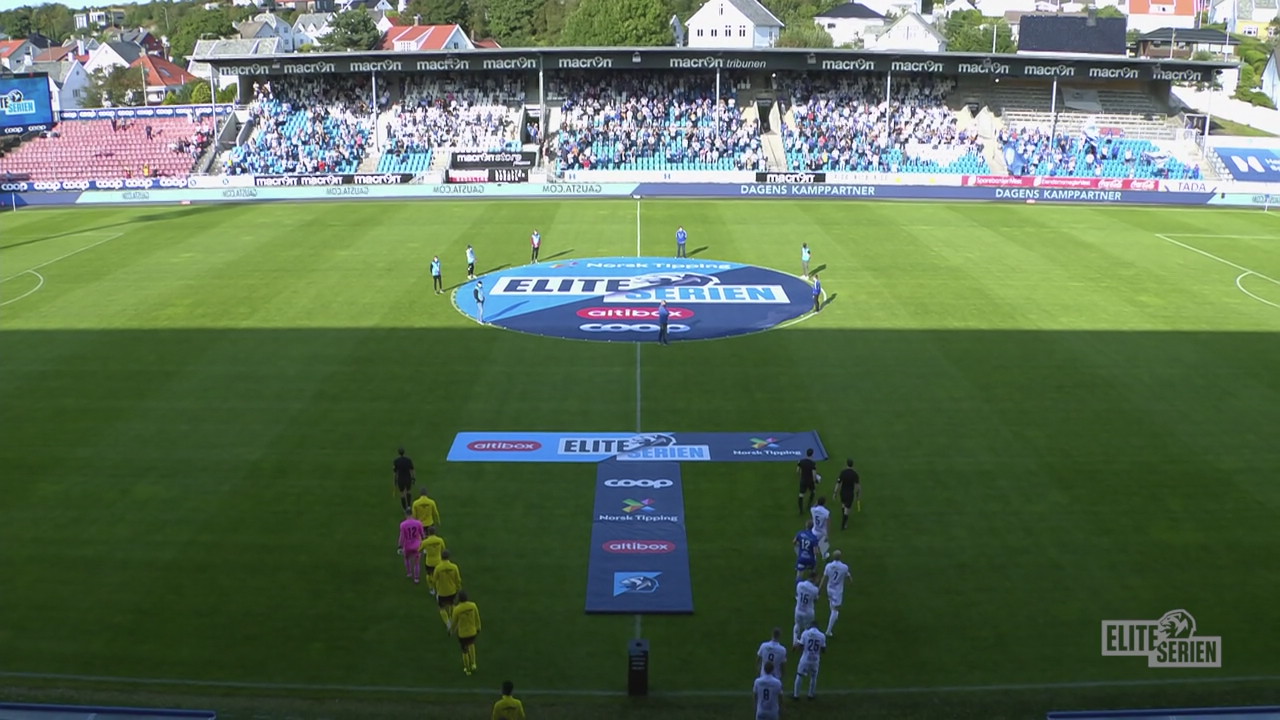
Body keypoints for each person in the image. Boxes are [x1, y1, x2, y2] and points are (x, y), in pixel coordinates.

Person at [792, 621, 827, 700]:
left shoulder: (805, 633)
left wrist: (796, 646)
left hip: (805, 659)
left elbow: (800, 647)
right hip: (815, 660)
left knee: (799, 675)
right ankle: (811, 695)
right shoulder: (822, 635)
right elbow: (824, 650)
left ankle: (796, 695)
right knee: (813, 677)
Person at [451, 590, 481, 675]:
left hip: (463, 633)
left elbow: (454, 622)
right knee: (471, 645)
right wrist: (478, 627)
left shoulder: (457, 609)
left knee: (464, 651)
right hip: (472, 631)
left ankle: (467, 669)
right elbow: (477, 617)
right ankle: (473, 664)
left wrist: (451, 630)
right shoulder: (473, 606)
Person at [821, 550, 850, 637]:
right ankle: (828, 631)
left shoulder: (828, 566)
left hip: (829, 589)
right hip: (837, 591)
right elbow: (848, 577)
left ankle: (834, 616)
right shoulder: (844, 567)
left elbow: (824, 578)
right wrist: (851, 582)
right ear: (840, 557)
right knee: (835, 610)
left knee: (832, 604)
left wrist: (819, 588)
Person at [434, 549, 463, 630]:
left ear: (441, 557)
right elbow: (458, 579)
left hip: (442, 591)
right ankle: (453, 620)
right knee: (452, 605)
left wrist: (435, 589)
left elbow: (434, 579)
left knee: (442, 608)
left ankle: (448, 623)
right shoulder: (454, 567)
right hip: (452, 590)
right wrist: (458, 588)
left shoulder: (438, 568)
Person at [397, 509, 425, 584]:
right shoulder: (418, 523)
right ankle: (416, 578)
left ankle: (409, 573)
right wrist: (424, 543)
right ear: (412, 514)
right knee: (417, 562)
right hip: (417, 545)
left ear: (405, 514)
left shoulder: (403, 524)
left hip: (407, 545)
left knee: (406, 558)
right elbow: (422, 534)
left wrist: (400, 545)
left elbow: (402, 536)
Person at [792, 573, 820, 646]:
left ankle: (795, 641)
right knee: (806, 628)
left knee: (797, 624)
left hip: (798, 609)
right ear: (814, 578)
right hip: (808, 612)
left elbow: (798, 594)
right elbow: (815, 599)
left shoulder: (800, 585)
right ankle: (801, 642)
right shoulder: (815, 589)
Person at [833, 459, 861, 530]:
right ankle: (843, 525)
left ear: (847, 464)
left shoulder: (843, 472)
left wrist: (835, 493)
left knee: (843, 504)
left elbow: (838, 483)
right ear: (852, 464)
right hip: (850, 493)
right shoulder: (855, 474)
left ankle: (844, 518)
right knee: (847, 510)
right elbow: (857, 486)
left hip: (843, 492)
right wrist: (858, 493)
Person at [420, 525, 446, 596]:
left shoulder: (425, 542)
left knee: (429, 575)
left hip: (429, 562)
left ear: (428, 533)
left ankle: (431, 588)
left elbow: (419, 549)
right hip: (438, 561)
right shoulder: (440, 540)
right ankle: (438, 588)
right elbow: (443, 549)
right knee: (438, 575)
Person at [796, 448, 818, 515]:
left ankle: (801, 510)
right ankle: (809, 504)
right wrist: (815, 481)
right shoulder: (813, 463)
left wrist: (802, 474)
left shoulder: (801, 461)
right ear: (812, 454)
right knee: (813, 491)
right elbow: (814, 474)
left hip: (803, 480)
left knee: (801, 495)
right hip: (810, 481)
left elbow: (797, 470)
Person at [393, 447, 416, 512]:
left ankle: (404, 508)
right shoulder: (408, 460)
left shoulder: (396, 461)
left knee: (402, 493)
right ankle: (409, 506)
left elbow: (395, 472)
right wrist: (413, 478)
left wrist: (395, 480)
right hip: (408, 478)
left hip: (401, 479)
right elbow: (412, 470)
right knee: (408, 491)